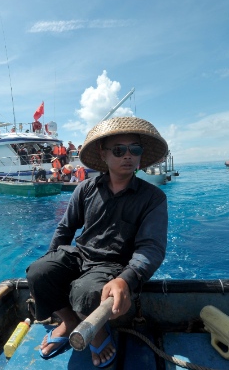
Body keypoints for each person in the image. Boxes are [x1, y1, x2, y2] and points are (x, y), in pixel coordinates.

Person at [26, 116, 168, 367]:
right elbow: (66, 228)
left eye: (134, 149)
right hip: (80, 255)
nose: (128, 156)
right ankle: (70, 321)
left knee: (87, 292)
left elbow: (151, 247)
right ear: (103, 155)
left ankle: (99, 332)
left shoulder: (153, 198)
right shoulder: (85, 189)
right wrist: (49, 262)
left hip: (113, 265)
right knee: (39, 272)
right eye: (119, 150)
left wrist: (126, 278)